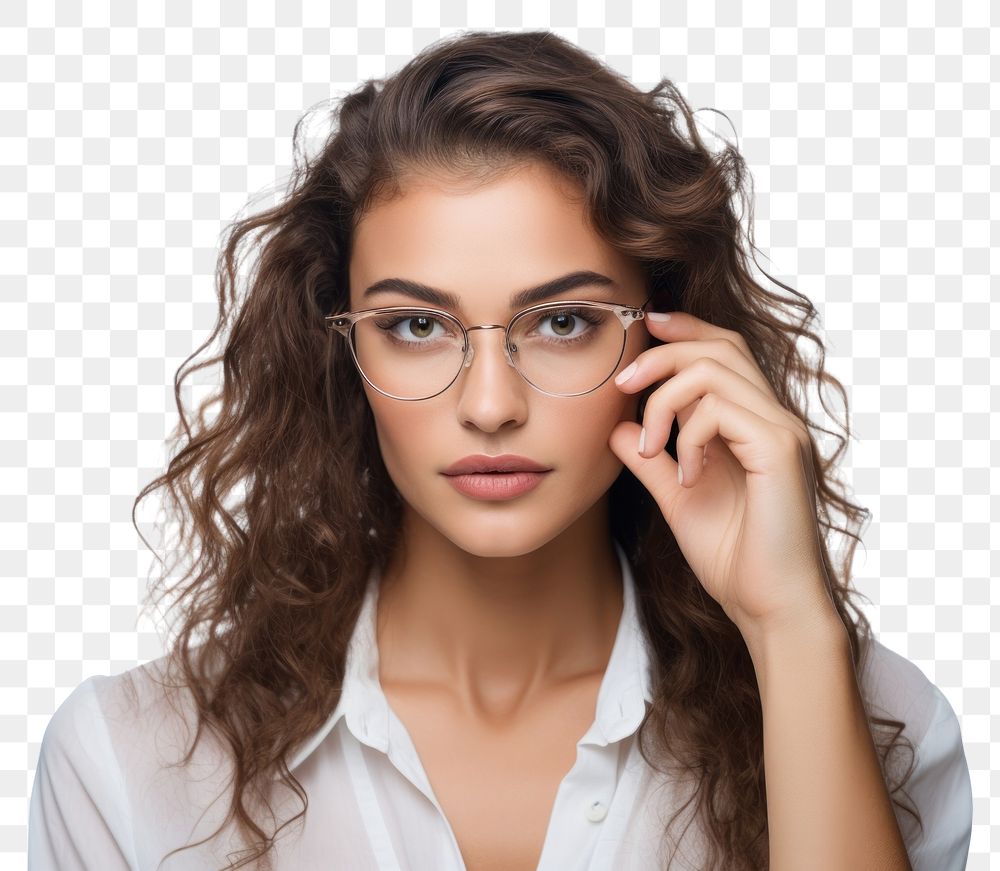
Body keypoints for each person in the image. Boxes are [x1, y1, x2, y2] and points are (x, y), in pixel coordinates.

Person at [28, 29, 972, 871]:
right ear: (341, 348)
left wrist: (790, 628)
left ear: (670, 338)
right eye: (415, 325)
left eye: (562, 320)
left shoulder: (878, 726)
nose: (489, 405)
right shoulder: (129, 763)